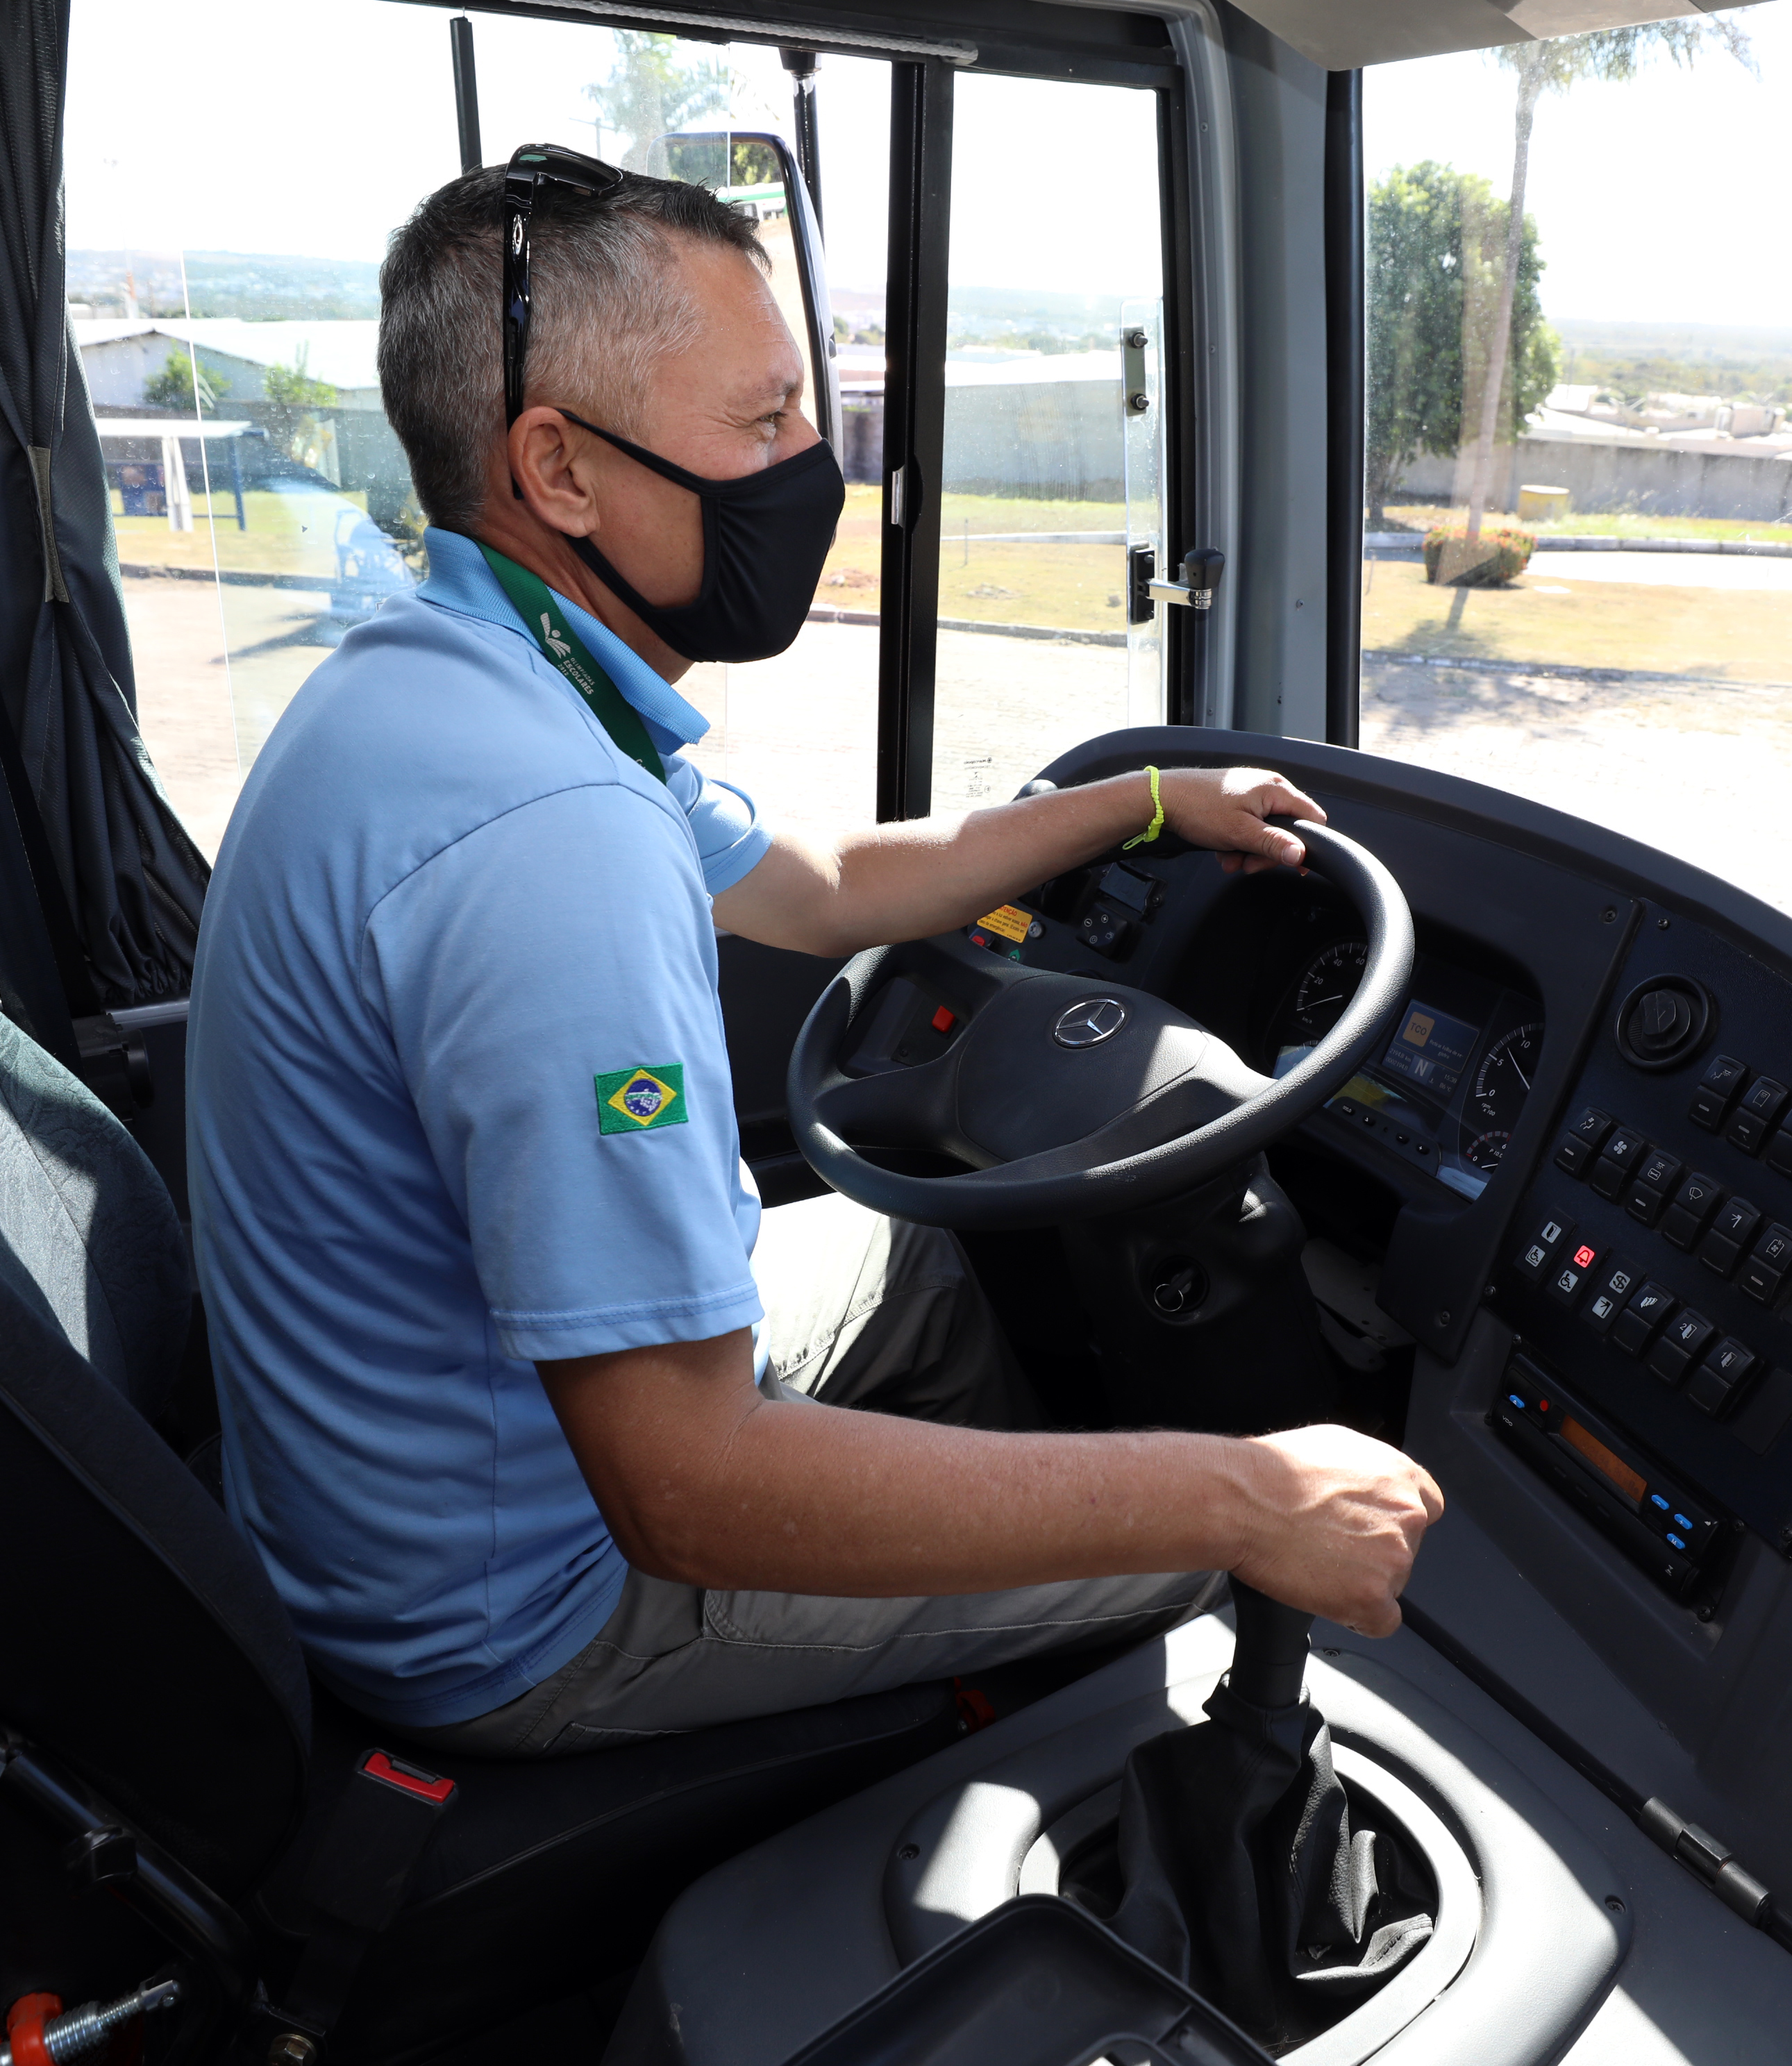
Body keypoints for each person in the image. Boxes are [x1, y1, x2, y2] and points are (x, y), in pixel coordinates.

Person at [186, 155, 1441, 1758]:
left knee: (908, 1261)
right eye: (765, 417)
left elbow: (834, 885)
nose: (811, 464)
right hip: (518, 1606)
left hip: (391, 1487)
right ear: (559, 469)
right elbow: (687, 1491)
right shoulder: (553, 836)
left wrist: (1140, 802)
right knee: (1212, 1562)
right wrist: (1244, 1494)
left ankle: (950, 1689)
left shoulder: (461, 679)